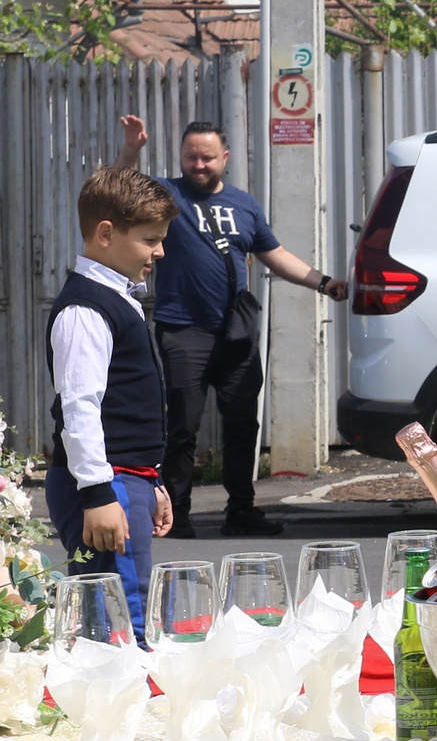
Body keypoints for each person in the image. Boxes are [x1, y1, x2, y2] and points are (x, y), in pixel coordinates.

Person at [114, 115, 346, 538]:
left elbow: (275, 255)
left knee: (242, 425)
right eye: (191, 157)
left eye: (207, 158)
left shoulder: (244, 205)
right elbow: (120, 190)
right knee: (183, 425)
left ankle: (241, 511)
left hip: (237, 334)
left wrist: (323, 282)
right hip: (183, 330)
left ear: (225, 157)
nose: (198, 165)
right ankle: (177, 514)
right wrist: (132, 148)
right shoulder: (168, 195)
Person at [46, 167, 176, 637]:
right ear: (106, 234)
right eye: (149, 240)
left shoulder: (116, 297)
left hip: (125, 477)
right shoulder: (86, 308)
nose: (159, 252)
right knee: (121, 620)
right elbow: (80, 406)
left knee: (128, 604)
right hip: (106, 483)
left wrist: (150, 479)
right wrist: (100, 494)